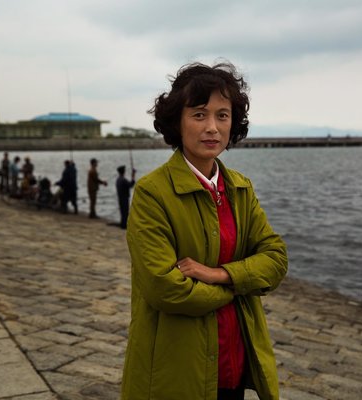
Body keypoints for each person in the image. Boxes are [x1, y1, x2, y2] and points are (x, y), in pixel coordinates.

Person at [120, 62, 288, 400]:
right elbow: (164, 288)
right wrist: (237, 288)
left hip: (233, 362)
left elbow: (276, 258)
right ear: (177, 122)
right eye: (199, 115)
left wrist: (219, 275)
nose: (212, 127)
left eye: (222, 115)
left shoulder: (240, 188)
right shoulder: (153, 193)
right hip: (178, 371)